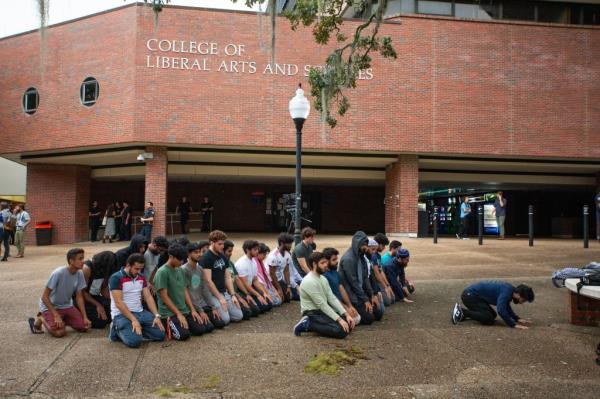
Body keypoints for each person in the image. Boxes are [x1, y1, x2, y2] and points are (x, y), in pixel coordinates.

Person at [154, 243, 213, 340]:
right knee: (184, 336)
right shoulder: (162, 272)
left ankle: (183, 324)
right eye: (179, 259)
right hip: (169, 313)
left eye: (183, 259)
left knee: (203, 329)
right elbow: (164, 297)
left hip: (184, 310)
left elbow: (185, 290)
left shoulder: (180, 270)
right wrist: (178, 314)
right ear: (171, 256)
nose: (181, 262)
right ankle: (168, 324)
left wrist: (193, 310)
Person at [28, 248, 92, 337]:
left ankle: (62, 319)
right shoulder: (58, 273)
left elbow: (79, 297)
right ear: (71, 261)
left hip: (66, 306)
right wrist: (56, 315)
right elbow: (44, 297)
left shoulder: (80, 274)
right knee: (60, 333)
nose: (83, 261)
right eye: (80, 259)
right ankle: (41, 318)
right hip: (51, 306)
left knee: (85, 327)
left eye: (83, 258)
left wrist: (85, 317)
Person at [108, 253, 166, 347]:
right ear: (128, 265)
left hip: (140, 312)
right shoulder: (116, 278)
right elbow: (119, 303)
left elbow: (148, 297)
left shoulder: (141, 277)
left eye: (141, 269)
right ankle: (116, 329)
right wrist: (133, 320)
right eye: (136, 269)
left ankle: (134, 329)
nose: (139, 271)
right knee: (135, 342)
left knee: (161, 335)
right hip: (121, 315)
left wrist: (156, 315)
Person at [293, 252, 355, 338]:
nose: (326, 265)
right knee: (341, 332)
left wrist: (346, 314)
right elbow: (321, 304)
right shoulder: (309, 281)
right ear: (314, 264)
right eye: (322, 263)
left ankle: (317, 326)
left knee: (349, 324)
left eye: (326, 262)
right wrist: (339, 319)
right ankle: (307, 324)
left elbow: (331, 298)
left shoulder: (322, 278)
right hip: (312, 313)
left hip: (321, 311)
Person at [201, 230, 244, 324]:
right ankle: (210, 309)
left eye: (223, 244)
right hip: (212, 294)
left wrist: (232, 295)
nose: (222, 246)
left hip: (224, 292)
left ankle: (223, 309)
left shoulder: (223, 256)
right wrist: (220, 298)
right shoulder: (206, 258)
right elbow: (208, 281)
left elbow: (227, 277)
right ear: (212, 243)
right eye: (219, 244)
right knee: (225, 320)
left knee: (239, 316)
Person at [339, 231, 381, 325]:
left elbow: (365, 278)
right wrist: (365, 300)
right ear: (358, 244)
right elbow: (353, 283)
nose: (366, 248)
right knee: (369, 319)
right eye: (364, 245)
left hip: (360, 294)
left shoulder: (361, 256)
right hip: (352, 295)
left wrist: (371, 295)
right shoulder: (348, 259)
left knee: (378, 313)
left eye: (367, 245)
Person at [451, 281, 534, 328]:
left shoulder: (510, 290)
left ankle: (464, 315)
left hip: (475, 297)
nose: (522, 302)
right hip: (470, 296)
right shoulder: (506, 293)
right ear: (519, 294)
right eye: (524, 300)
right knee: (488, 319)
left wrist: (517, 319)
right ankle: (462, 311)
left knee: (493, 315)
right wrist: (513, 325)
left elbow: (506, 307)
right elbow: (501, 310)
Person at [182, 242, 224, 329]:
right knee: (203, 329)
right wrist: (199, 311)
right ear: (189, 254)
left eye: (200, 252)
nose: (200, 254)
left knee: (220, 323)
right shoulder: (183, 270)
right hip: (192, 306)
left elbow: (205, 290)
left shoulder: (200, 269)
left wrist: (213, 307)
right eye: (196, 252)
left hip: (203, 304)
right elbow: (187, 293)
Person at [322, 247, 361, 326]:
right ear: (326, 260)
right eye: (334, 260)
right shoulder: (324, 276)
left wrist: (350, 306)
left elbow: (342, 289)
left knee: (358, 318)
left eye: (337, 259)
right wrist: (345, 309)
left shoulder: (335, 272)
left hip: (341, 304)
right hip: (333, 306)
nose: (337, 262)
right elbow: (331, 296)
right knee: (349, 324)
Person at [223, 239, 259, 320]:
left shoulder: (231, 263)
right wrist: (238, 297)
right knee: (247, 313)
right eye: (229, 251)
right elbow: (226, 286)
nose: (231, 254)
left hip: (237, 293)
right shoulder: (221, 265)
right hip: (230, 294)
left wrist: (247, 295)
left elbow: (237, 279)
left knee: (255, 310)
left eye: (231, 251)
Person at [235, 240, 273, 314]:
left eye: (257, 249)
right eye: (255, 249)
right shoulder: (242, 263)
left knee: (268, 305)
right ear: (247, 250)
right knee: (256, 311)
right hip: (242, 291)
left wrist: (264, 292)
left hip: (251, 289)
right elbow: (245, 284)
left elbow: (255, 281)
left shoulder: (253, 261)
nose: (257, 251)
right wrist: (258, 295)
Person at [82, 251, 115, 329]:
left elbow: (103, 289)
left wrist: (114, 301)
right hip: (84, 297)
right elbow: (83, 292)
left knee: (113, 314)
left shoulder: (107, 270)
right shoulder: (87, 268)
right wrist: (98, 305)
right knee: (100, 323)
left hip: (95, 297)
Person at [265, 233, 296, 303]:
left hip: (279, 279)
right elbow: (272, 274)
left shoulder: (287, 254)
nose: (291, 245)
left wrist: (288, 286)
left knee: (289, 297)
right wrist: (279, 289)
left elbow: (286, 271)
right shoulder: (273, 256)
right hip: (270, 281)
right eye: (289, 243)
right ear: (282, 243)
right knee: (279, 300)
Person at [372, 233, 395, 306]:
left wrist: (388, 286)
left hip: (379, 281)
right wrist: (385, 287)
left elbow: (381, 271)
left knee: (392, 299)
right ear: (377, 244)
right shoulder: (373, 256)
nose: (384, 248)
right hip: (374, 281)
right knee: (388, 301)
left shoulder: (378, 256)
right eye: (383, 245)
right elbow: (376, 274)